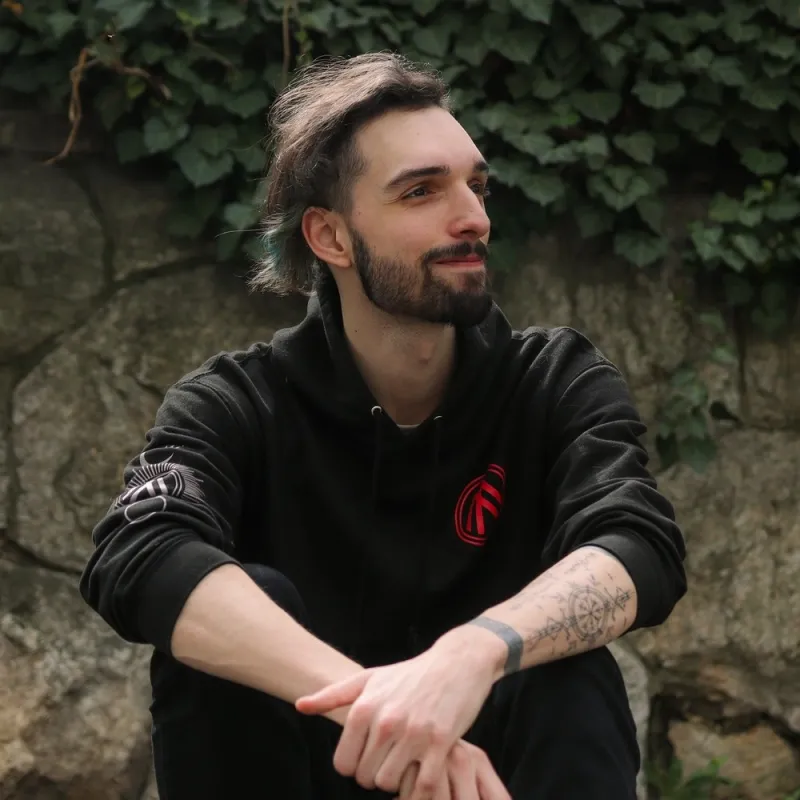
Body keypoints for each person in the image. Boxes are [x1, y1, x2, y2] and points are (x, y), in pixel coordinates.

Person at [79, 52, 687, 800]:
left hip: (492, 779)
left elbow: (637, 543)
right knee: (229, 625)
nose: (474, 217)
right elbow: (139, 553)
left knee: (565, 660)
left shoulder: (553, 380)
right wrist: (381, 708)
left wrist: (472, 654)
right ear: (331, 237)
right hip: (313, 762)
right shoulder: (236, 402)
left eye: (476, 185)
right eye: (421, 191)